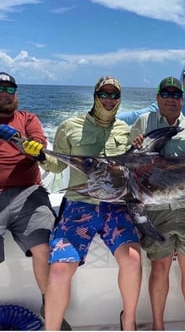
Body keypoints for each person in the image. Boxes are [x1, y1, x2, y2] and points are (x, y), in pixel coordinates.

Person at [39, 76, 142, 330]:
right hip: (79, 205)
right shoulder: (68, 126)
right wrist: (40, 155)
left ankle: (128, 322)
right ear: (95, 95)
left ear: (119, 99)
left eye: (114, 95)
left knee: (132, 260)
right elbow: (56, 165)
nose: (109, 100)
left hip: (116, 206)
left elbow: (132, 169)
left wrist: (138, 149)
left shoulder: (126, 131)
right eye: (104, 94)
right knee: (60, 269)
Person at [130, 76, 185, 331]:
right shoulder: (143, 123)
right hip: (155, 209)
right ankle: (158, 326)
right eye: (166, 94)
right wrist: (135, 146)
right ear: (158, 98)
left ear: (183, 100)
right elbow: (129, 162)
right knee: (160, 266)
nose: (171, 99)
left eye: (176, 95)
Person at [0, 72, 71, 330]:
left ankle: (49, 306)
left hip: (28, 193)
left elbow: (39, 149)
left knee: (46, 248)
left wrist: (21, 142)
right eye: (0, 88)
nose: (5, 93)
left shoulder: (28, 118)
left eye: (9, 88)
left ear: (16, 93)